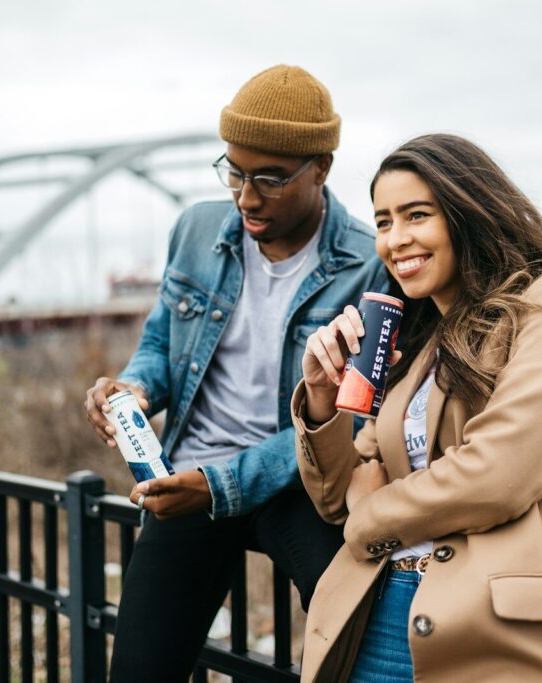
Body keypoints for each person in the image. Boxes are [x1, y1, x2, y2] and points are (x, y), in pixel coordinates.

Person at [293, 134, 542, 682]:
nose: (395, 239)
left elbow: (499, 474)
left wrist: (372, 516)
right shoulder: (421, 351)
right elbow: (339, 494)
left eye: (416, 215)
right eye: (383, 222)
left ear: (467, 212)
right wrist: (320, 398)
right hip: (380, 618)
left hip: (507, 635)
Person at [83, 65, 388, 682]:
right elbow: (162, 340)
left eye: (270, 179)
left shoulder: (367, 264)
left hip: (299, 485)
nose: (246, 197)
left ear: (321, 168)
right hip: (189, 477)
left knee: (356, 643)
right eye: (234, 171)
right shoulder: (195, 229)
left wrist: (220, 484)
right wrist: (135, 388)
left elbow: (355, 420)